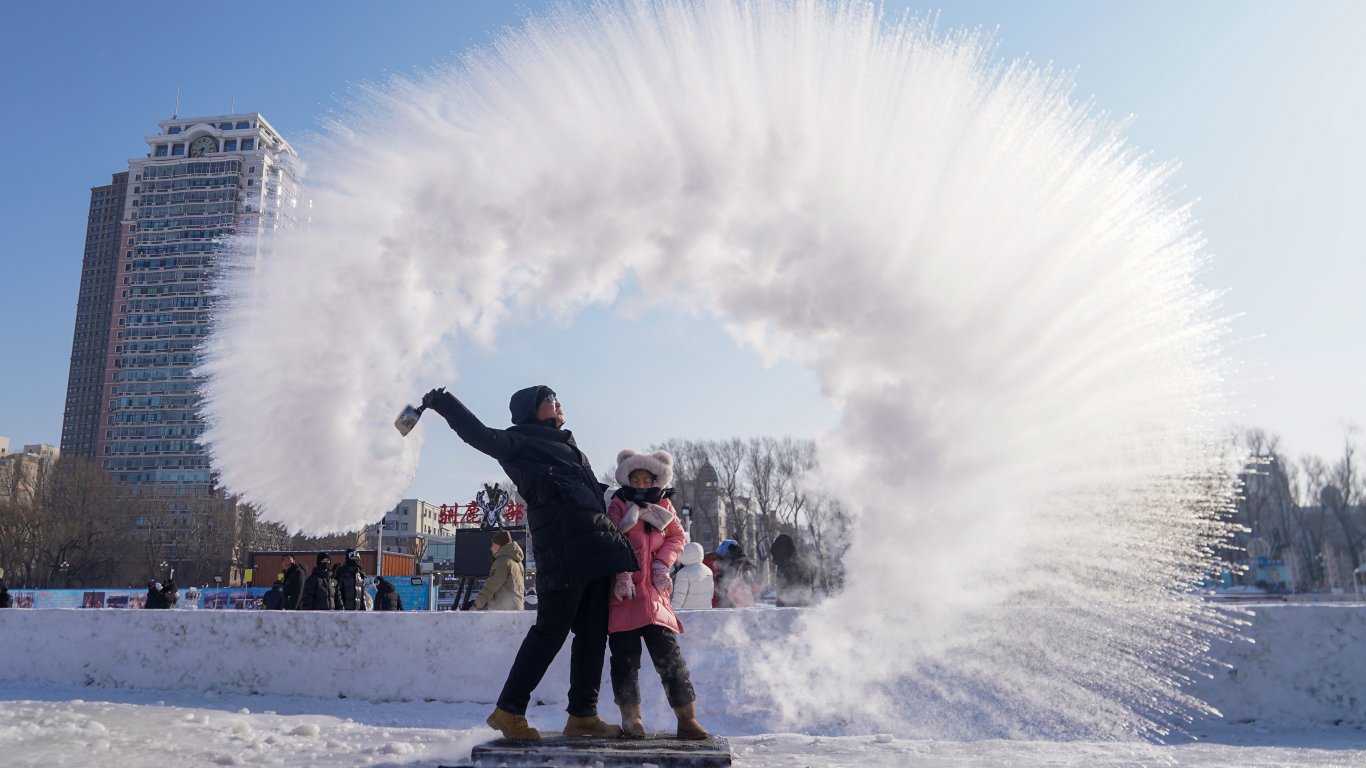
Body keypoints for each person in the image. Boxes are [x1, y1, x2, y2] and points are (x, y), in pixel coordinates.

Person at [423, 384, 638, 740]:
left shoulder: (569, 446)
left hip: (597, 549)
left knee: (592, 635)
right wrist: (443, 403)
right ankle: (508, 710)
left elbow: (584, 492)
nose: (558, 403)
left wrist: (624, 494)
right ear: (530, 409)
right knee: (549, 633)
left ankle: (583, 715)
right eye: (550, 399)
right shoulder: (519, 441)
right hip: (564, 551)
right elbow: (478, 435)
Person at [605, 449, 708, 740]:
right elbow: (611, 536)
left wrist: (663, 563)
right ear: (626, 479)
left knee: (671, 661)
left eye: (645, 479)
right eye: (634, 479)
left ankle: (687, 719)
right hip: (624, 596)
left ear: (656, 481)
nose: (640, 485)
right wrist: (622, 570)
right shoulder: (617, 505)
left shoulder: (664, 507)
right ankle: (631, 719)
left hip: (655, 599)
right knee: (625, 663)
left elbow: (677, 537)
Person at [473, 531, 526, 611]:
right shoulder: (518, 563)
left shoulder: (502, 562)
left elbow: (490, 586)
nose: (491, 548)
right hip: (517, 608)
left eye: (493, 544)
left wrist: (476, 604)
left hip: (503, 610)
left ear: (498, 545)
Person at [769, 533, 818, 607]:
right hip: (796, 604)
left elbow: (795, 587)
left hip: (796, 605)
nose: (774, 560)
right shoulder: (792, 562)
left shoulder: (791, 564)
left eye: (775, 555)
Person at [671, 542, 714, 611]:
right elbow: (710, 595)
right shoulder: (708, 571)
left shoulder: (683, 573)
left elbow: (679, 597)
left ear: (686, 554)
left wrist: (672, 611)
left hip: (687, 615)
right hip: (705, 613)